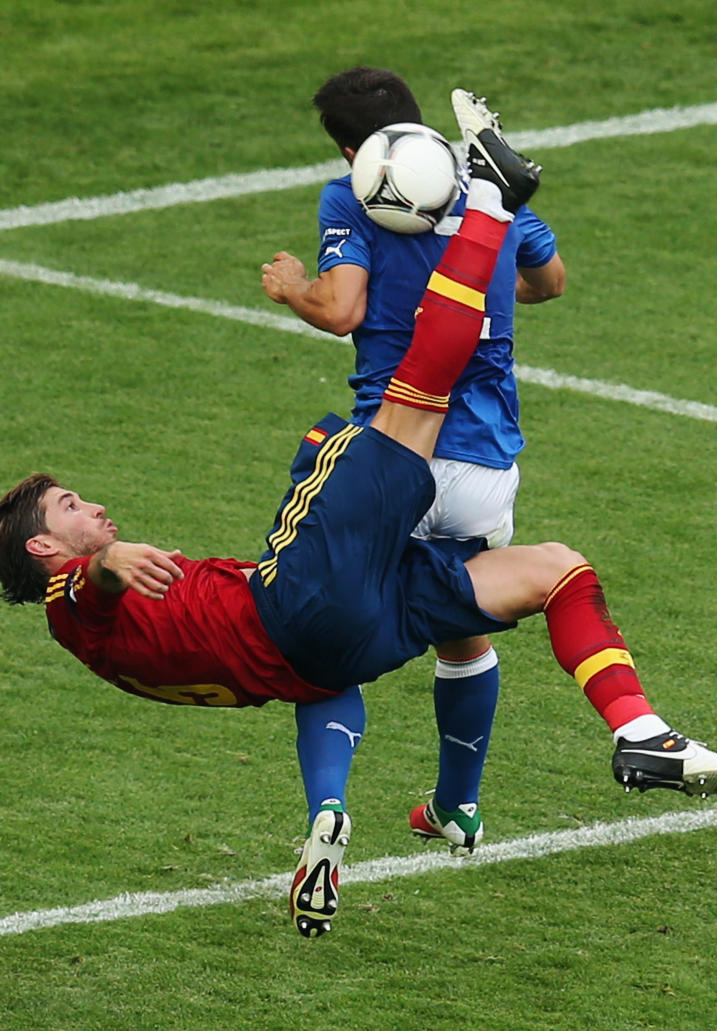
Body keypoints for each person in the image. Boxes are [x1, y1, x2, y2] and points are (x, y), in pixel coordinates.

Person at [0, 96, 717, 940]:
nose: (92, 505)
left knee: (555, 568)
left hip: (332, 648)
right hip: (311, 589)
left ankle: (639, 734)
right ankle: (494, 194)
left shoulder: (112, 646)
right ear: (46, 547)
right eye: (70, 508)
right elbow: (85, 593)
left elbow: (291, 665)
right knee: (373, 416)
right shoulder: (71, 602)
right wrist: (105, 562)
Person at [261, 69, 566, 855]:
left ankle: (328, 806)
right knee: (464, 638)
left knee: (328, 638)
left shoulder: (349, 195)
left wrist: (293, 287)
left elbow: (343, 309)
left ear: (345, 147)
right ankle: (456, 807)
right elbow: (549, 280)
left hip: (392, 453)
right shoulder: (483, 187)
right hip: (485, 464)